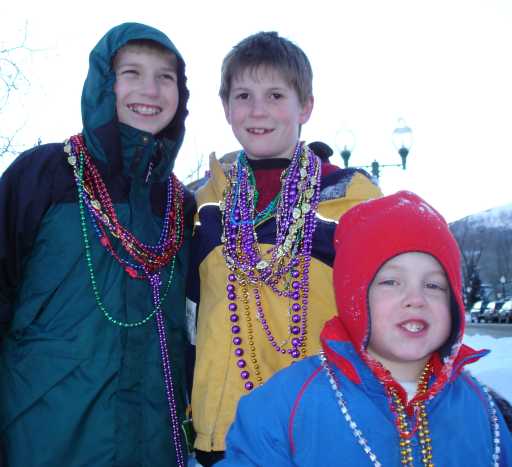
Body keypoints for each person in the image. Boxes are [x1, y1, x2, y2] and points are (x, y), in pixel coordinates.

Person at [0, 23, 195, 467]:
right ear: (103, 83)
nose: (150, 89)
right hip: (48, 439)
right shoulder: (44, 175)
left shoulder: (180, 206)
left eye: (165, 77)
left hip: (155, 448)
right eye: (132, 73)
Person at [189, 31, 381, 466]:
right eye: (244, 95)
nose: (258, 110)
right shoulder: (207, 204)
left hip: (320, 430)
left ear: (305, 106)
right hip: (224, 434)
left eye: (275, 94)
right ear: (226, 108)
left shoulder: (349, 199)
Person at [218, 191, 512, 466]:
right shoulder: (282, 408)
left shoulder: (485, 409)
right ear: (353, 296)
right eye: (391, 282)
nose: (416, 299)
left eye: (434, 285)